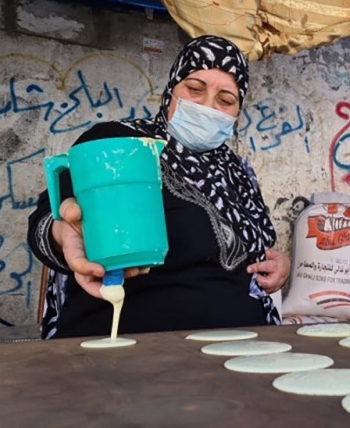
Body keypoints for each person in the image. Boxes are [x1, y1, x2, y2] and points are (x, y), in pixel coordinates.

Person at [27, 35, 290, 339]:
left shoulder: (238, 172)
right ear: (171, 90)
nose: (207, 106)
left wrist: (278, 267)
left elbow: (257, 250)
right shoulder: (119, 144)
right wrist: (62, 234)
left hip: (241, 346)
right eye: (195, 89)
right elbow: (50, 218)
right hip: (132, 347)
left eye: (226, 100)